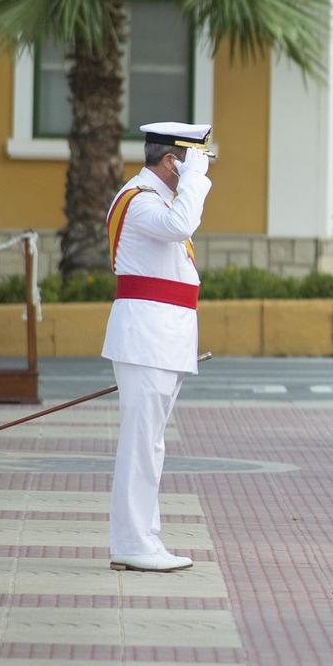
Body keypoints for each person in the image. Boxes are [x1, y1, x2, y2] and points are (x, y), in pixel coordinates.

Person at [102, 121, 213, 572]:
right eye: (193, 162)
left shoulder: (157, 198)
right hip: (146, 338)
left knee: (152, 445)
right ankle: (131, 541)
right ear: (172, 161)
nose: (201, 171)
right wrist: (196, 182)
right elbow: (181, 224)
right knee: (140, 443)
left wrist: (189, 182)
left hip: (162, 338)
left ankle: (144, 537)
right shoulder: (140, 201)